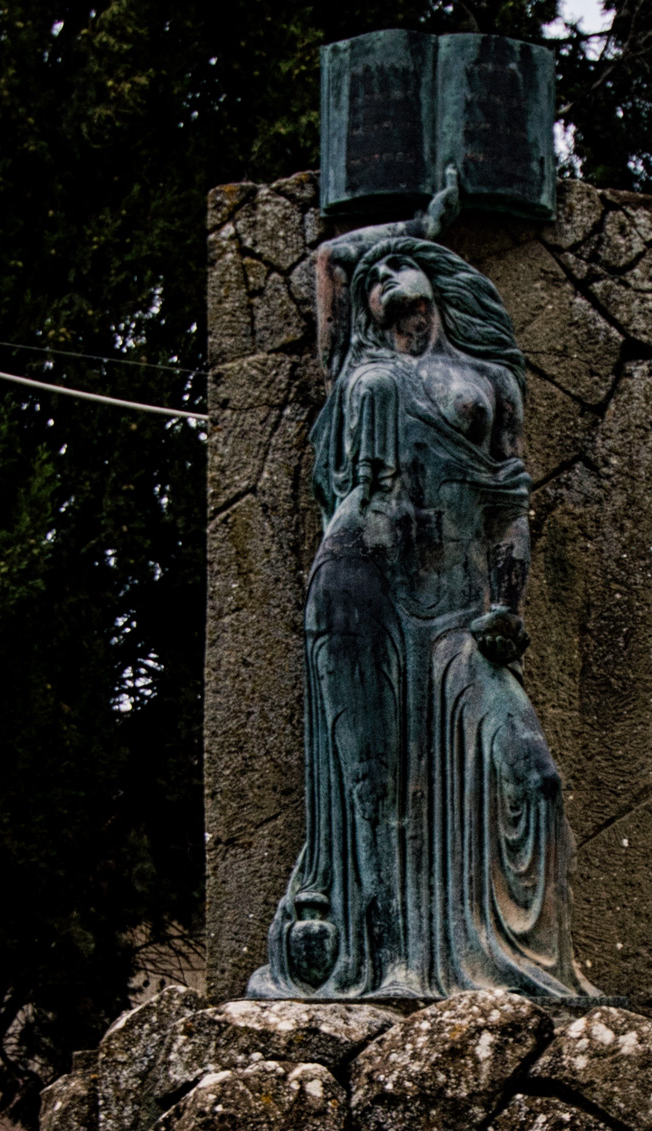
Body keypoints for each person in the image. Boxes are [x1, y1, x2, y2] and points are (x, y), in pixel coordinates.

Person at [249, 169, 595, 1002]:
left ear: (434, 287)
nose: (389, 293)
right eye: (380, 289)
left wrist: (505, 608)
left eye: (405, 283)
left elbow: (509, 506)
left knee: (533, 778)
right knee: (375, 794)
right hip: (356, 592)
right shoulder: (360, 374)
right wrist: (414, 222)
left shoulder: (489, 383)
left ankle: (519, 969)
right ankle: (390, 963)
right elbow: (332, 261)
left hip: (456, 618)